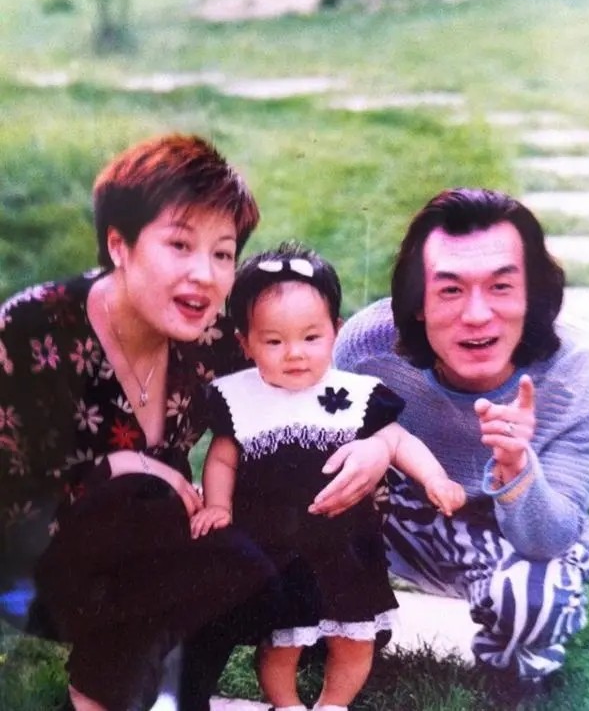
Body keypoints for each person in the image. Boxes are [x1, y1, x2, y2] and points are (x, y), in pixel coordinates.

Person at [0, 135, 389, 711]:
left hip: (151, 550)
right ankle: (96, 689)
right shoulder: (37, 327)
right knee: (146, 499)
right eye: (180, 245)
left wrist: (379, 444)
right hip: (34, 571)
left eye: (222, 254)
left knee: (258, 572)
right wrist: (115, 466)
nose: (204, 275)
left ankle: (178, 696)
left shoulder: (212, 336)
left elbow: (305, 385)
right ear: (120, 245)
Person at [332, 187, 589, 701]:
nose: (477, 315)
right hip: (407, 513)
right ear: (416, 303)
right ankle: (349, 625)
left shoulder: (583, 370)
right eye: (450, 290)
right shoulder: (368, 350)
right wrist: (378, 444)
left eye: (501, 286)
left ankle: (510, 666)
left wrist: (516, 466)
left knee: (535, 599)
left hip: (520, 531)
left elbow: (550, 539)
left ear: (533, 295)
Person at [191, 242, 466, 711]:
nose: (294, 354)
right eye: (273, 342)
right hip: (276, 548)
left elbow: (398, 441)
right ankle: (286, 703)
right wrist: (218, 504)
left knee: (353, 638)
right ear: (246, 343)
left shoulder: (354, 395)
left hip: (347, 545)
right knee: (282, 641)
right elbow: (222, 458)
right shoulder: (241, 398)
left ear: (336, 331)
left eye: (310, 337)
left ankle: (334, 703)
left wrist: (435, 478)